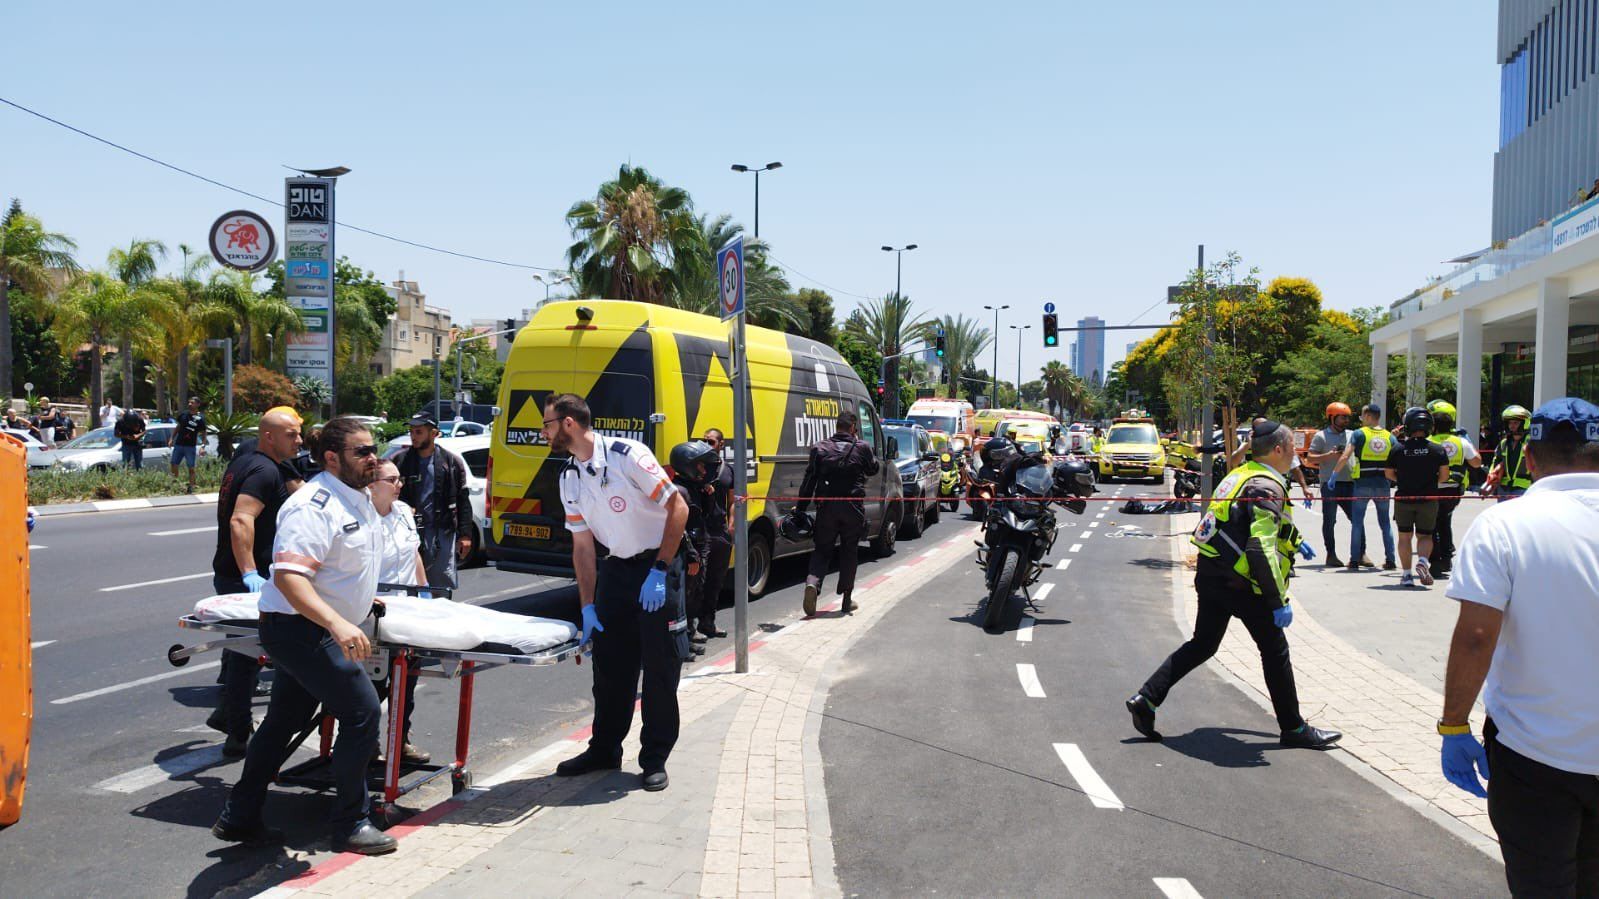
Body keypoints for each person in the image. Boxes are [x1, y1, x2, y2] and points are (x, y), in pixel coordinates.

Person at [213, 416, 396, 855]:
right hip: (300, 628)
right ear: (332, 458)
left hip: (314, 626)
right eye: (362, 452)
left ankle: (239, 815)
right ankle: (352, 821)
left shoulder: (359, 499)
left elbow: (341, 564)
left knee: (282, 722)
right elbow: (293, 579)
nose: (373, 458)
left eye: (374, 449)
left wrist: (361, 602)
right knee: (361, 714)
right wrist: (338, 622)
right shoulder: (312, 505)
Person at [1439, 397, 1599, 896]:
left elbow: (1477, 635)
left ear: (1528, 458)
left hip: (1534, 752)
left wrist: (1453, 724)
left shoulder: (1504, 523)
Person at [1126, 421, 1340, 748]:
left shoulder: (1240, 474)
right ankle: (1294, 728)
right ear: (1279, 449)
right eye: (1292, 449)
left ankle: (1147, 698)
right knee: (1275, 650)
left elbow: (1240, 525)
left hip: (1212, 574)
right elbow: (1258, 546)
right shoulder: (1267, 485)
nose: (1297, 455)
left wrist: (1294, 540)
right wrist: (1276, 600)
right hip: (1244, 584)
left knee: (1203, 644)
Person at [545, 394, 692, 793]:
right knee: (609, 669)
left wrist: (660, 568)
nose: (544, 431)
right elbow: (582, 548)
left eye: (547, 424)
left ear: (569, 424)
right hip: (617, 571)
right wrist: (588, 605)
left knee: (661, 666)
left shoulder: (628, 456)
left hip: (657, 566)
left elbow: (678, 508)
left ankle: (654, 757)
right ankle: (604, 749)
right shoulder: (569, 477)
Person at [206, 408, 305, 757]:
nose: (299, 440)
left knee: (242, 652)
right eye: (291, 434)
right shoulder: (263, 470)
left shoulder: (245, 463)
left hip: (235, 573)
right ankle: (237, 733)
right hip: (247, 578)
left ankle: (228, 716)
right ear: (269, 436)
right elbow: (240, 520)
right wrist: (250, 573)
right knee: (247, 655)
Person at [370, 458, 432, 765]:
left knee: (406, 683)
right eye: (392, 480)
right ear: (372, 484)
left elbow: (414, 554)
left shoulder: (405, 512)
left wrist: (426, 591)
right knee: (373, 685)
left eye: (399, 480)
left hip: (409, 610)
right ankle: (367, 745)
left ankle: (401, 740)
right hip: (375, 613)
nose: (399, 485)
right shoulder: (364, 517)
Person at [794, 409, 880, 618]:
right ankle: (846, 601)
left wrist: (801, 508)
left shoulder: (820, 448)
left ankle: (813, 583)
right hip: (852, 508)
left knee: (822, 549)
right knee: (850, 551)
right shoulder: (862, 447)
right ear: (853, 428)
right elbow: (873, 469)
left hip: (827, 508)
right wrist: (860, 445)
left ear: (837, 426)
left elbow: (809, 480)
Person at [391, 414, 473, 591]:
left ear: (434, 433)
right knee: (409, 583)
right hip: (406, 532)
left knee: (440, 586)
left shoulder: (451, 462)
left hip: (442, 533)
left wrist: (465, 535)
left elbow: (462, 499)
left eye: (419, 432)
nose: (413, 436)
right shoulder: (400, 461)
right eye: (411, 431)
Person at [668, 440, 722, 657]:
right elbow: (679, 528)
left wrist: (709, 495)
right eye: (699, 465)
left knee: (694, 595)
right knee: (682, 598)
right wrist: (691, 554)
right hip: (687, 551)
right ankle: (678, 645)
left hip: (700, 546)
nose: (703, 469)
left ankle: (688, 637)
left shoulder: (694, 488)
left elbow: (705, 516)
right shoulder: (679, 490)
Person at [1390, 407, 1451, 588]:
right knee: (1425, 535)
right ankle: (1423, 561)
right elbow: (1444, 476)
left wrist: (1402, 480)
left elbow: (1388, 473)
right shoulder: (1437, 450)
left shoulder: (1398, 449)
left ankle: (1407, 575)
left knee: (1404, 536)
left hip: (1404, 498)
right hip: (1428, 498)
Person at [1334, 403, 1397, 571]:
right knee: (1385, 524)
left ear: (1369, 416)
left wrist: (1334, 475)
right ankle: (1391, 560)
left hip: (1362, 484)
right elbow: (1398, 456)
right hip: (1383, 485)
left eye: (1362, 416)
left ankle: (1354, 560)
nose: (1361, 419)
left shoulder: (1358, 434)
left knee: (1357, 523)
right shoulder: (1389, 436)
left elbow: (1346, 455)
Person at [1426, 400, 1484, 579]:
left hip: (1433, 489)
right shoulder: (1460, 442)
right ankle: (1446, 557)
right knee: (1445, 521)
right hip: (1453, 491)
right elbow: (1477, 462)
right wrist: (1468, 442)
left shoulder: (1427, 441)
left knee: (1433, 525)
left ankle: (1436, 559)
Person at [1307, 402, 1358, 566]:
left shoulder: (1353, 435)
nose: (1346, 421)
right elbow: (1310, 458)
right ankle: (1331, 554)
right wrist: (1329, 454)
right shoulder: (1321, 436)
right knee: (1330, 520)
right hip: (1329, 484)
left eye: (1347, 418)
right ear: (1332, 417)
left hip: (1350, 483)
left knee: (1357, 519)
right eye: (1343, 417)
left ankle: (1359, 554)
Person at [696, 428, 734, 641]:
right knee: (696, 582)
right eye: (704, 441)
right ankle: (691, 628)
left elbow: (733, 500)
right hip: (701, 532)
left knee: (715, 581)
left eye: (710, 441)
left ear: (721, 444)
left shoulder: (728, 470)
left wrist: (732, 524)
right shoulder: (697, 468)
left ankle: (708, 623)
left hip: (720, 533)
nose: (706, 444)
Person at [1484, 405, 1533, 501]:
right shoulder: (1504, 443)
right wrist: (1491, 475)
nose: (1512, 426)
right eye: (1510, 423)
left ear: (1525, 423)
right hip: (1504, 488)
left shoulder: (1531, 442)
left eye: (1515, 422)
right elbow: (1496, 461)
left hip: (1524, 488)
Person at [169, 396, 207, 493]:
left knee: (191, 467)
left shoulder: (200, 418)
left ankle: (191, 486)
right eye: (189, 402)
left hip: (190, 446)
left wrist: (203, 446)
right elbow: (178, 427)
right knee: (174, 464)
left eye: (192, 402)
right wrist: (171, 438)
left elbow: (203, 433)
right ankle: (175, 484)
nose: (190, 404)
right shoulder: (183, 414)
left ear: (198, 404)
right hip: (179, 444)